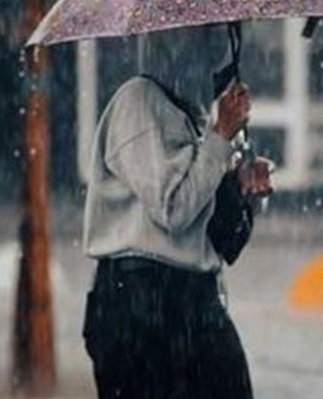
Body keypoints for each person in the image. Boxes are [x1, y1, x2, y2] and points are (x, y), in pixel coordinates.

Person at [81, 75, 272, 399]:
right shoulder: (136, 103)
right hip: (140, 301)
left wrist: (242, 188)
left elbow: (223, 240)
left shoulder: (196, 115)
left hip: (199, 300)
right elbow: (173, 210)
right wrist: (219, 138)